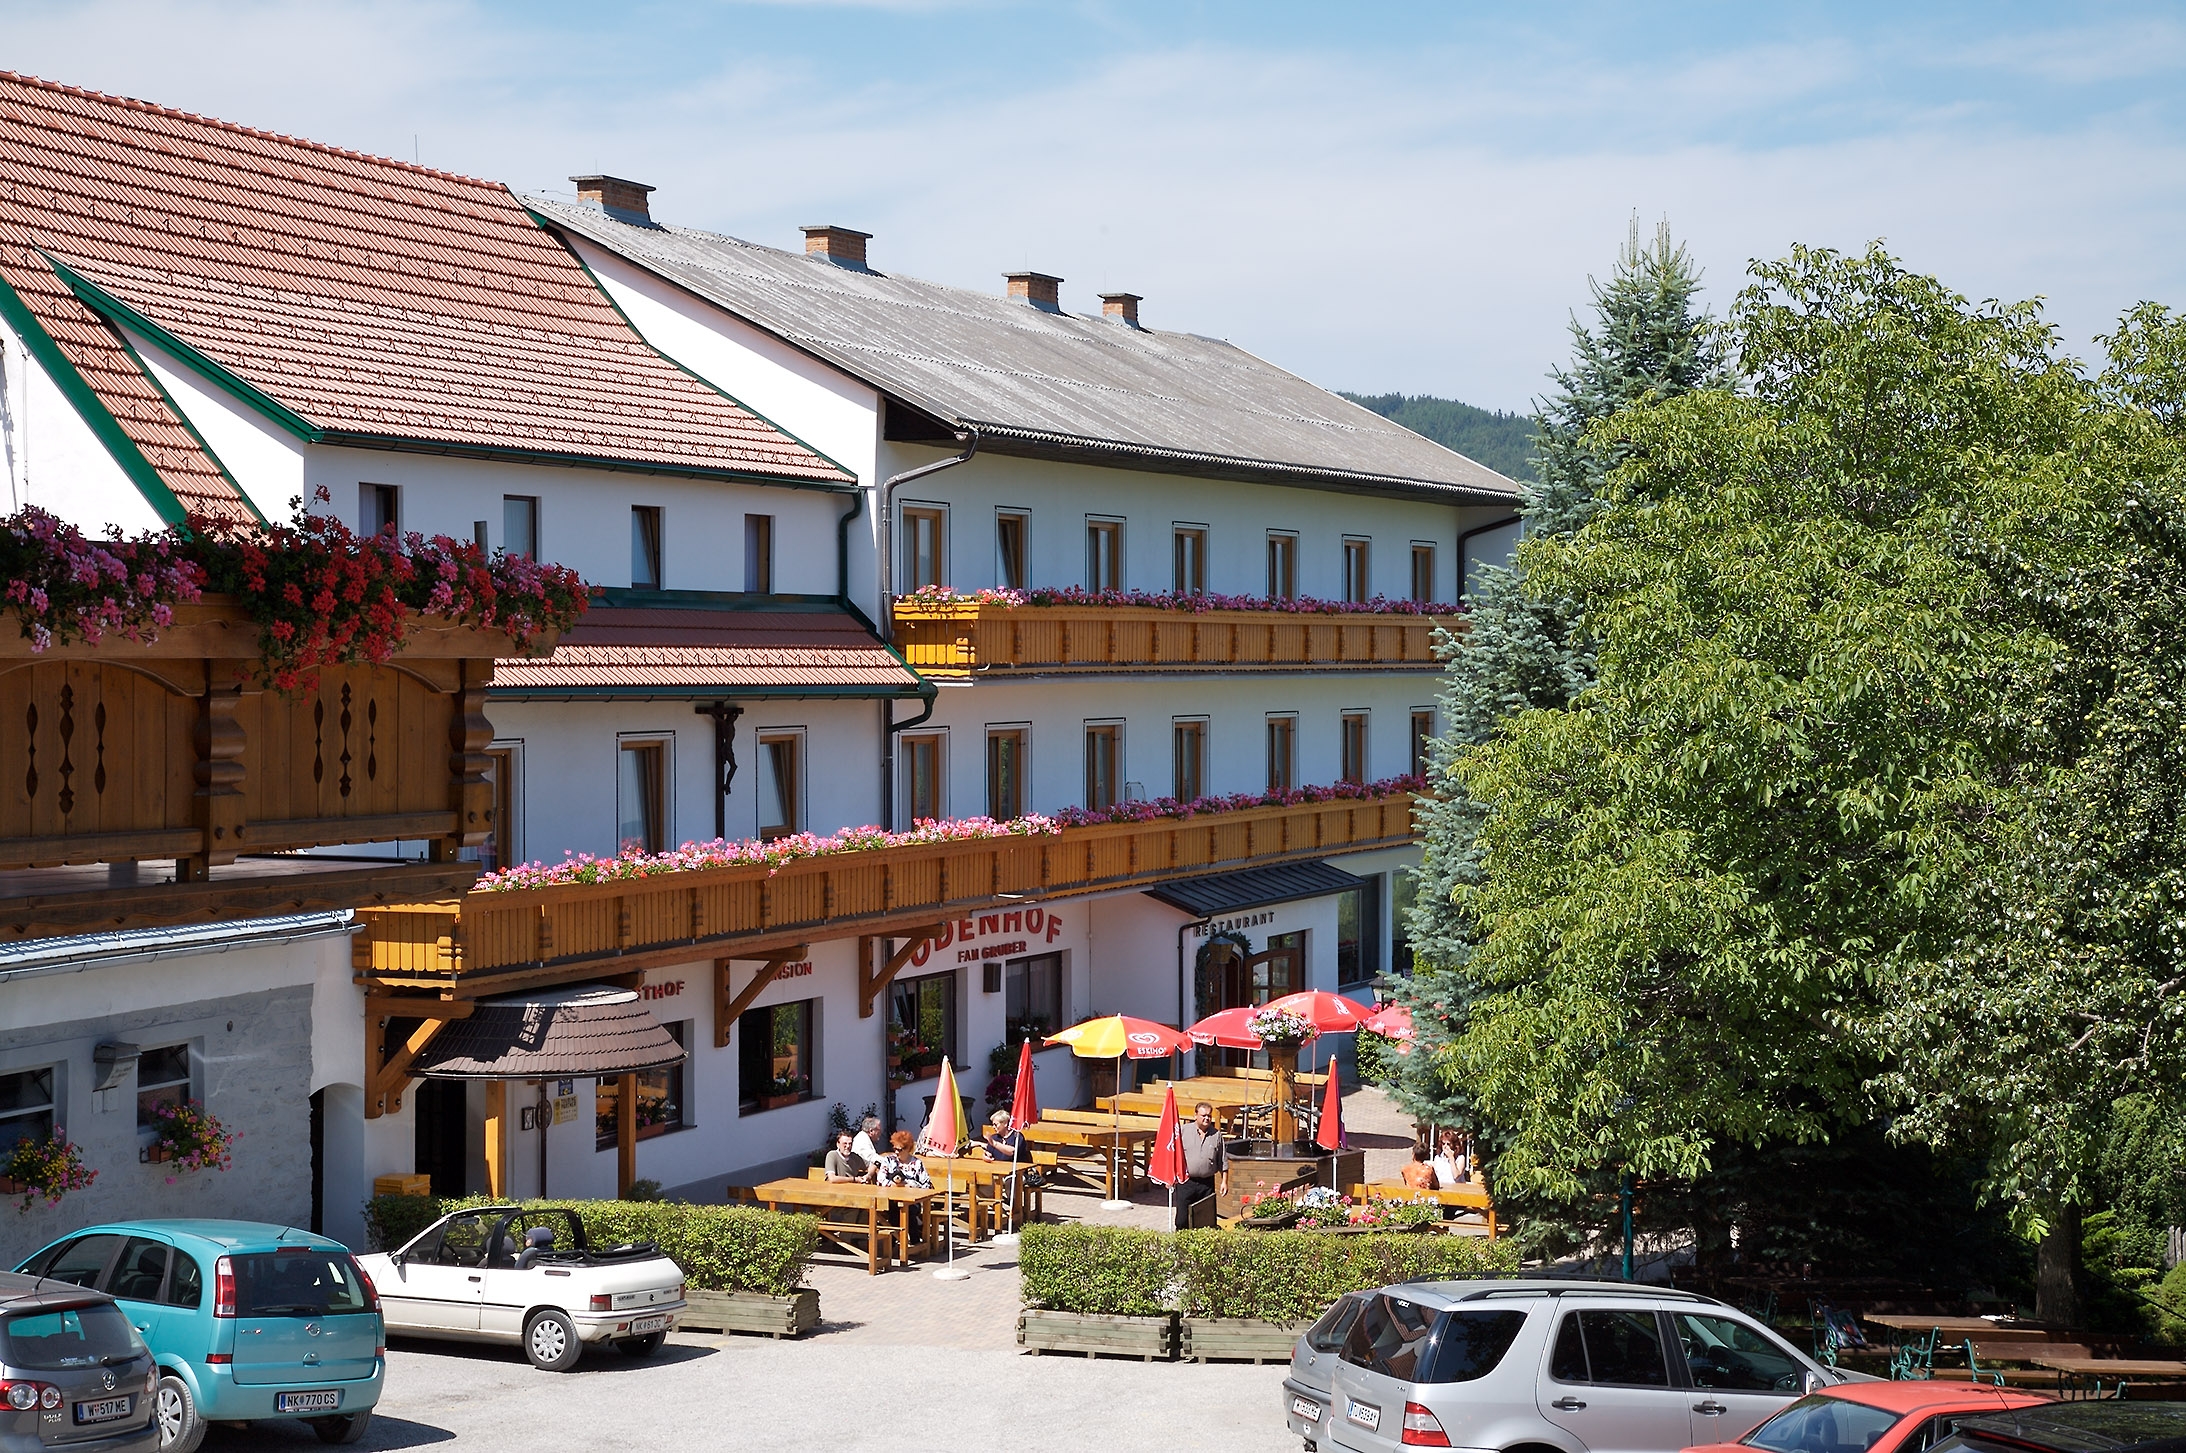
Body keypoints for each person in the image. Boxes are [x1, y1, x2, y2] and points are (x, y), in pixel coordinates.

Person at [1174, 1102, 1228, 1231]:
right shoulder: (1183, 1132)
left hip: (1206, 1184)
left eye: (1209, 1116)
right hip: (1186, 1182)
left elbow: (1223, 1160)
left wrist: (1224, 1182)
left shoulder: (1216, 1135)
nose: (1206, 1118)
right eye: (1203, 1115)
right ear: (1195, 1115)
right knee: (1182, 1219)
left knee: (1205, 1219)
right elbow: (1173, 1155)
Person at [875, 1129, 934, 1245]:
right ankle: (902, 1240)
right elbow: (880, 1179)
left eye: (900, 1149)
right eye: (895, 1149)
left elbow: (927, 1185)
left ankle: (906, 1240)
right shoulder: (889, 1160)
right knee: (894, 1208)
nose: (896, 1152)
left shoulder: (917, 1163)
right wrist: (893, 1184)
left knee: (907, 1209)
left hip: (913, 1201)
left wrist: (910, 1185)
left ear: (908, 1149)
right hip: (891, 1199)